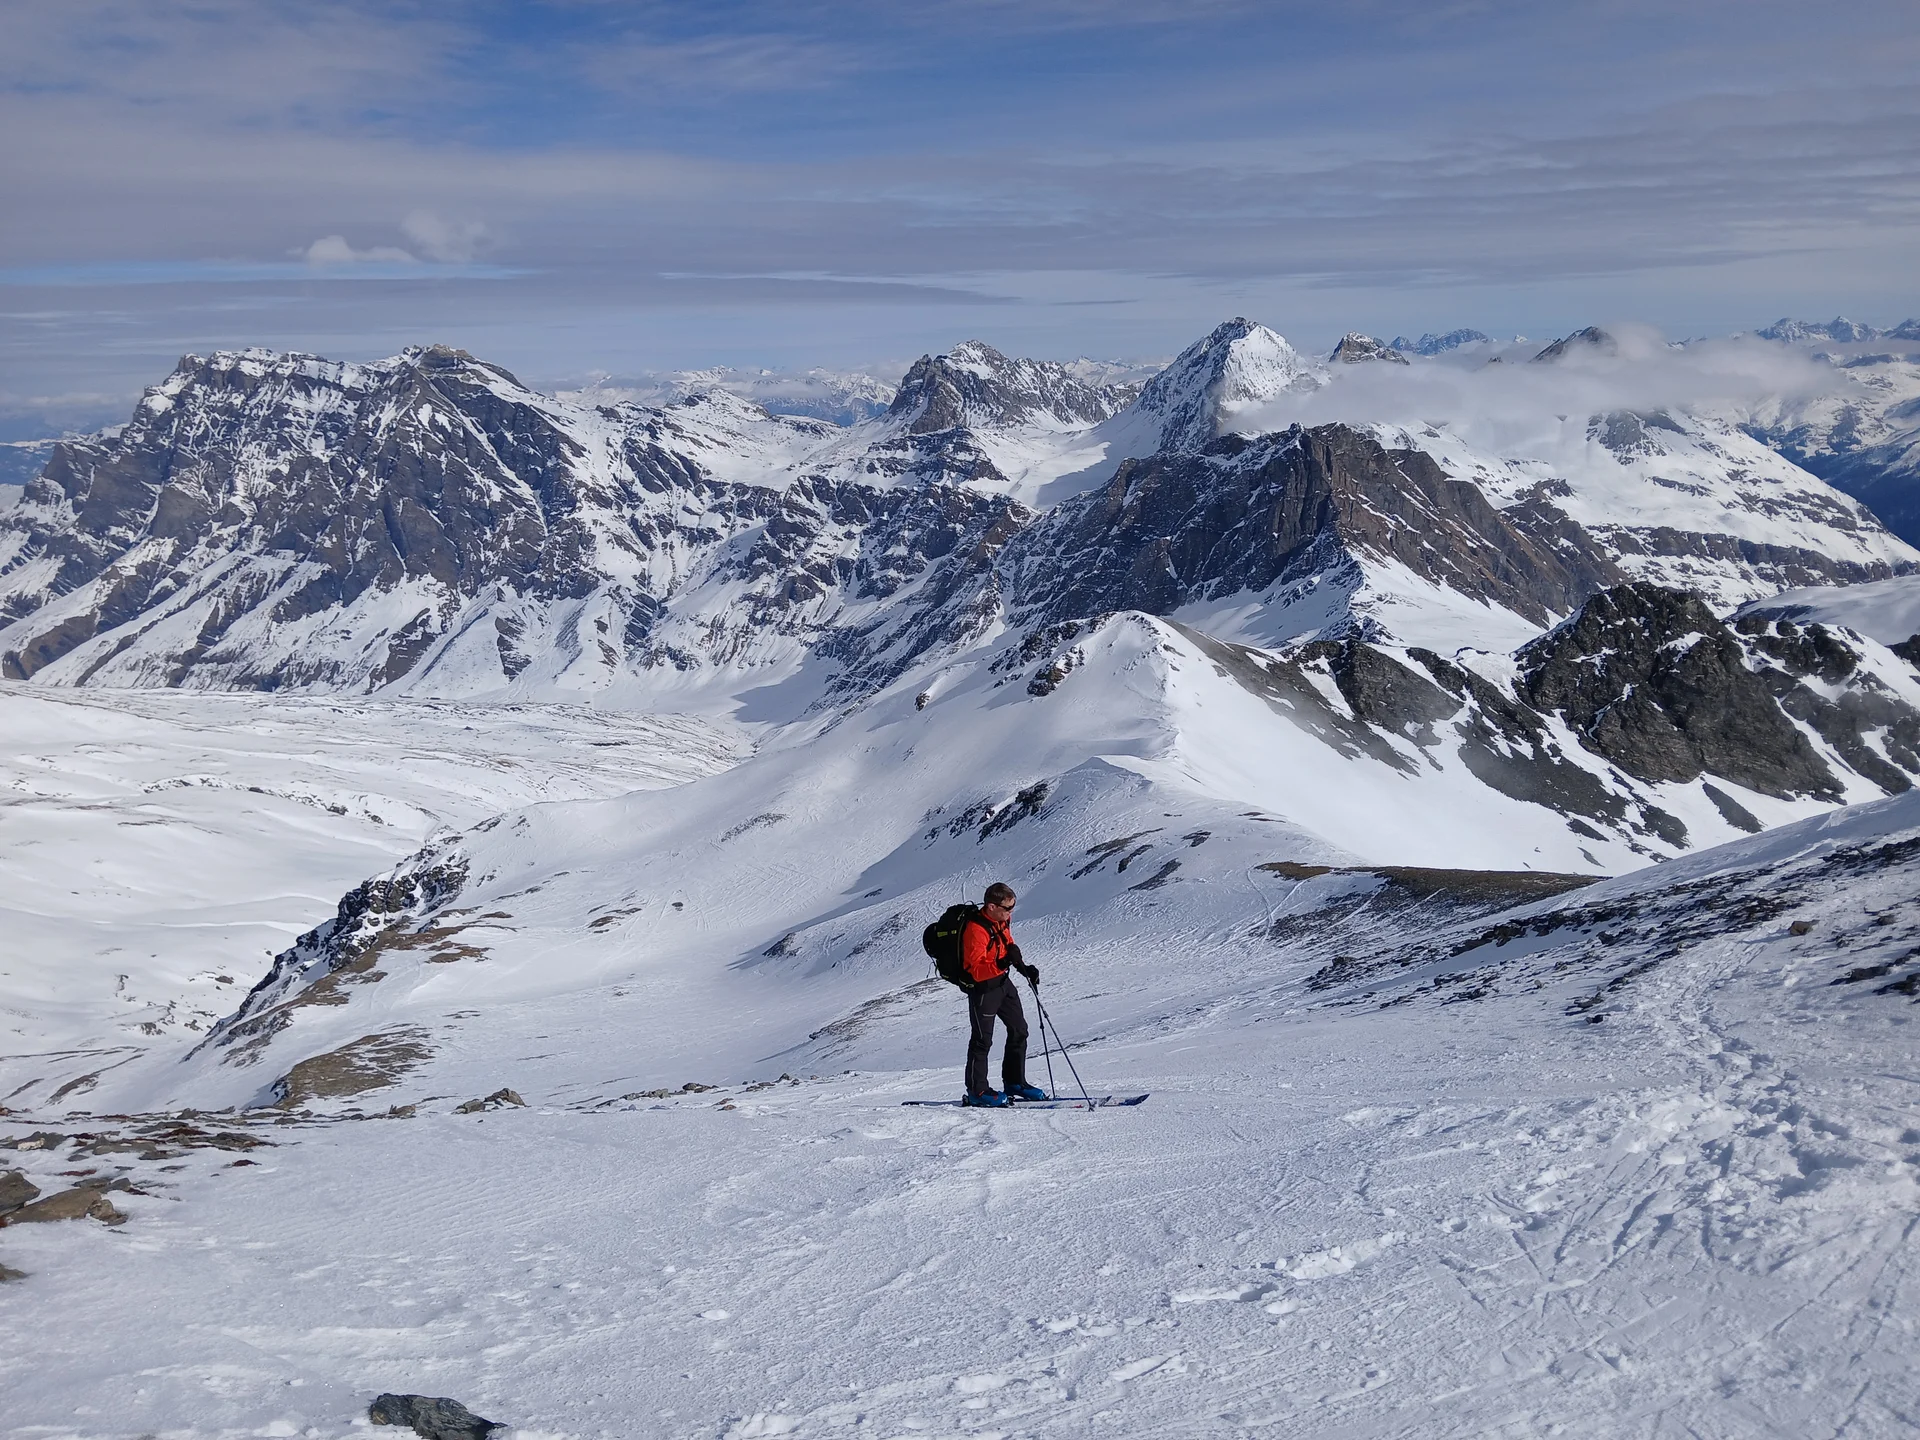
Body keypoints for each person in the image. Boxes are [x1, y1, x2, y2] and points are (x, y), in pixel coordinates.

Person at [961, 882, 1046, 1106]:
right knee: (982, 1041)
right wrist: (1002, 963)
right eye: (1007, 908)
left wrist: (1022, 967)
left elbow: (1006, 944)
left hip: (1002, 983)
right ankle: (976, 1092)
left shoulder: (1001, 920)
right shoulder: (975, 930)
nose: (1011, 913)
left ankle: (1015, 1082)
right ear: (991, 906)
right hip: (983, 990)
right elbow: (974, 971)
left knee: (1020, 1030)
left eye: (1013, 907)